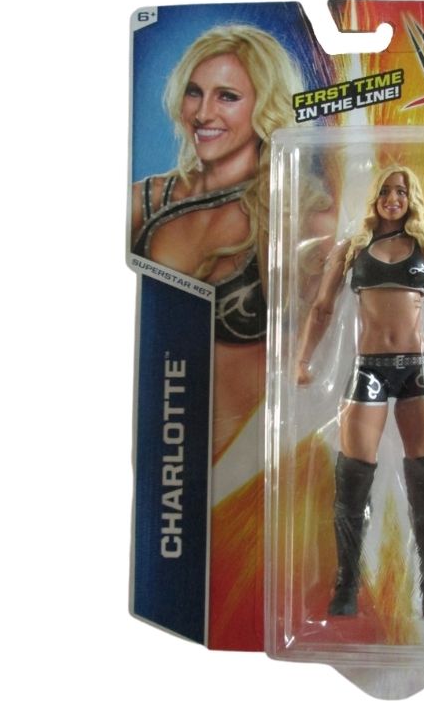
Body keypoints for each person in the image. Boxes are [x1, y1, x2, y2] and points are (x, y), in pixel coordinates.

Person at [296, 164, 424, 621]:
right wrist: (303, 358)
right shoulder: (352, 250)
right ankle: (346, 585)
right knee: (353, 481)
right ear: (375, 197)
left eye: (401, 191)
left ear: (411, 198)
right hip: (368, 369)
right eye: (385, 190)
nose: (393, 198)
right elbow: (322, 308)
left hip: (414, 372)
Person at [131, 24, 316, 462]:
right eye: (194, 93)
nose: (203, 113)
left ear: (265, 106)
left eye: (227, 97)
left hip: (255, 464)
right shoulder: (145, 202)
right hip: (166, 450)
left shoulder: (298, 216)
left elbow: (318, 359)